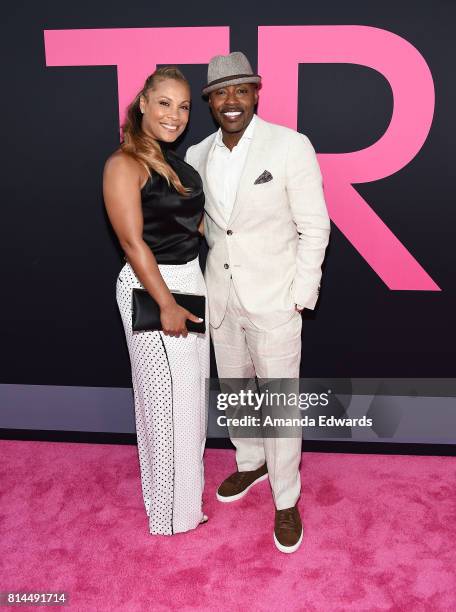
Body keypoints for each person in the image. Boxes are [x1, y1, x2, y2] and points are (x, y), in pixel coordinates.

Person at [185, 52, 330, 553]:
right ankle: (251, 463)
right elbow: (208, 225)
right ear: (209, 101)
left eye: (240, 91)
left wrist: (300, 295)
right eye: (221, 93)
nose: (231, 101)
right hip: (221, 296)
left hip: (275, 298)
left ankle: (286, 500)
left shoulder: (290, 146)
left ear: (255, 93)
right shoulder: (196, 155)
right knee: (237, 389)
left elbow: (315, 226)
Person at [103, 66, 209, 535]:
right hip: (154, 288)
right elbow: (132, 243)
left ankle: (184, 505)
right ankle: (169, 516)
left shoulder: (178, 164)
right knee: (163, 406)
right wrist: (164, 302)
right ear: (143, 103)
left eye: (184, 106)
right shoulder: (124, 164)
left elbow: (193, 226)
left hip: (191, 280)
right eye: (164, 102)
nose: (175, 114)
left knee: (188, 404)